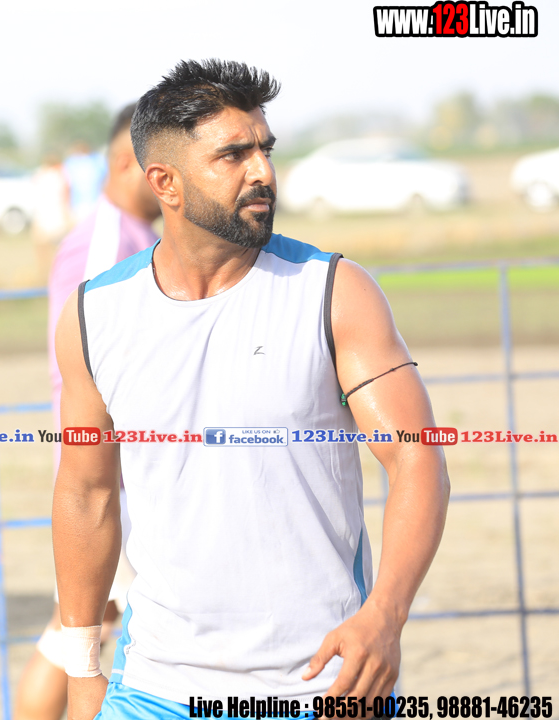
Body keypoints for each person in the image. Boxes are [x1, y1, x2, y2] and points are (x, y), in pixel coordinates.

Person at [52, 59, 450, 719]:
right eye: (233, 155)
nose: (262, 170)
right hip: (152, 691)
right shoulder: (95, 314)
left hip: (322, 689)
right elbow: (85, 492)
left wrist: (386, 615)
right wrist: (82, 667)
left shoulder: (334, 292)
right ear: (165, 183)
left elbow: (416, 455)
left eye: (265, 149)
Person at [15, 102, 162, 720]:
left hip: (124, 475)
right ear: (128, 163)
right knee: (81, 635)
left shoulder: (136, 235)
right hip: (112, 476)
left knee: (83, 630)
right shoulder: (106, 244)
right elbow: (103, 366)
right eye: (163, 167)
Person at [30, 153, 71, 282]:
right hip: (57, 215)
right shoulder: (60, 176)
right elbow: (66, 195)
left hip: (42, 216)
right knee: (60, 249)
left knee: (42, 248)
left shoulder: (39, 174)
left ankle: (44, 273)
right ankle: (59, 273)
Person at [62, 141, 108, 224]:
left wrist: (66, 207)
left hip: (78, 206)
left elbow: (66, 187)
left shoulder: (71, 163)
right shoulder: (97, 160)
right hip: (96, 204)